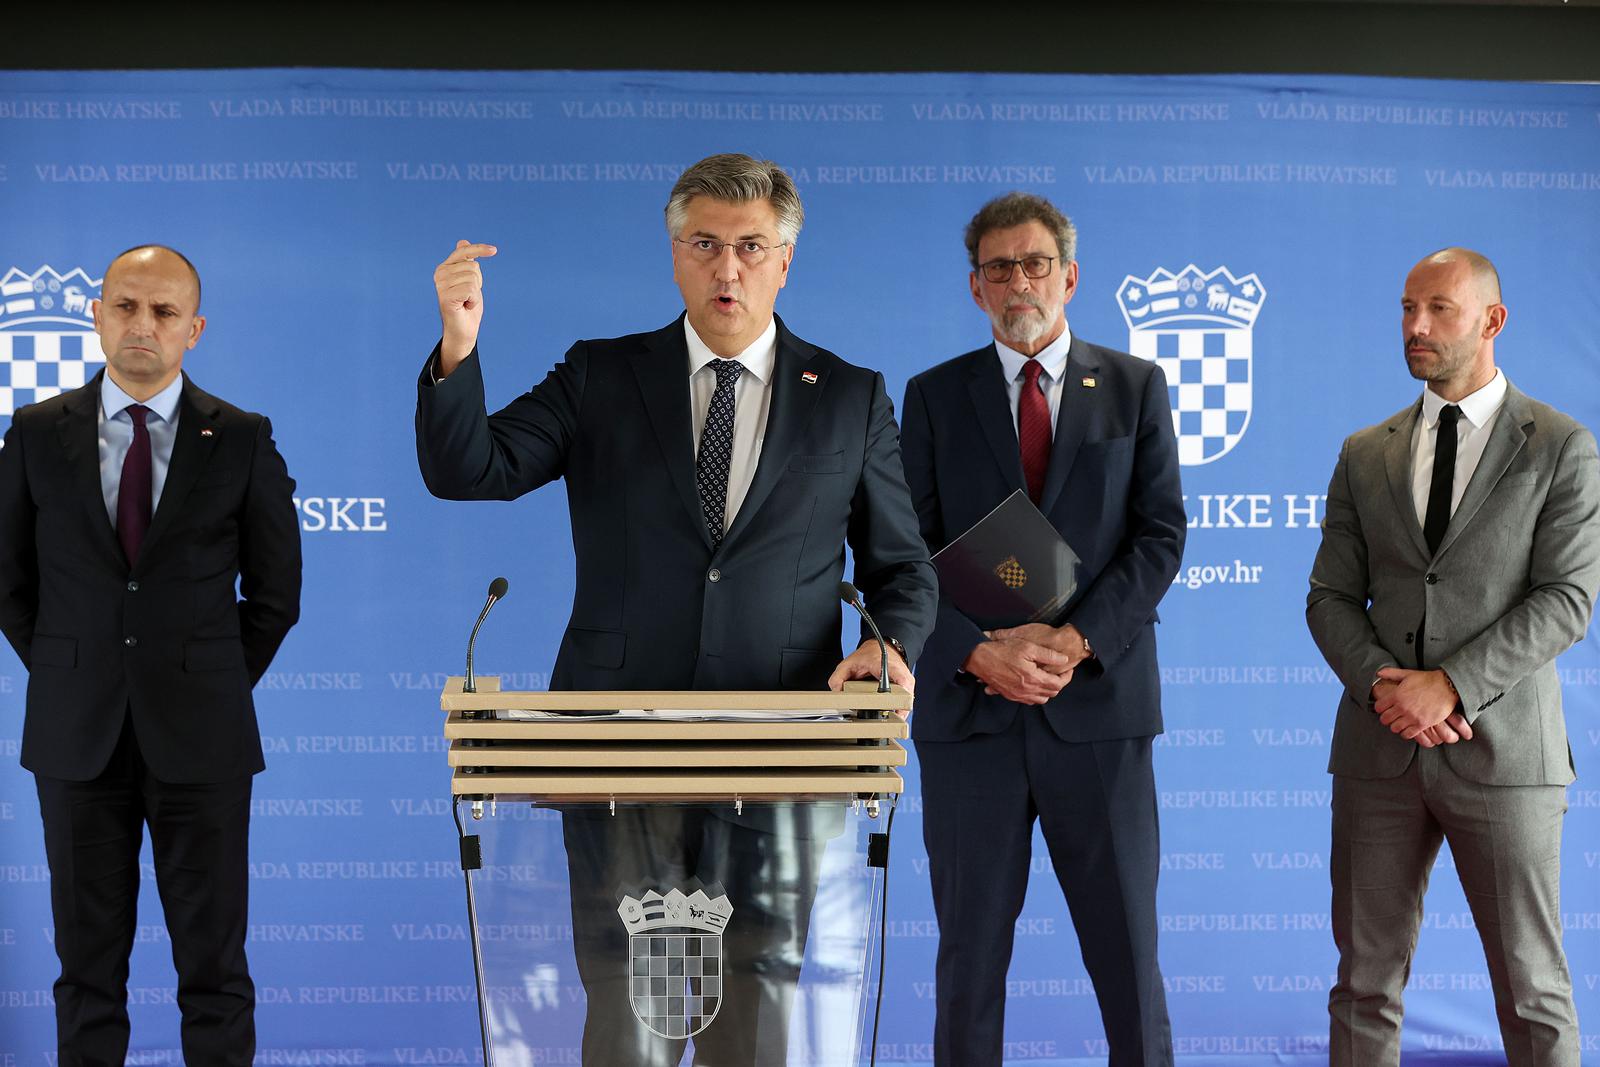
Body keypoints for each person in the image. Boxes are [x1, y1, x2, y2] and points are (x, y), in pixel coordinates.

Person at [414, 153, 936, 1065]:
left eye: (749, 246)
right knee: (627, 1003)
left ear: (784, 261)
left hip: (779, 753)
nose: (726, 268)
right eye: (704, 244)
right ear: (674, 253)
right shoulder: (600, 375)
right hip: (618, 750)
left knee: (759, 1005)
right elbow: (471, 471)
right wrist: (459, 345)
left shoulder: (850, 397)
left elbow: (902, 569)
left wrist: (888, 649)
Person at [898, 192, 1185, 1067]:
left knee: (1128, 958)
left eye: (1034, 263)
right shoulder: (933, 396)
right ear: (975, 287)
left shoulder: (1135, 386)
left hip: (1096, 708)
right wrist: (977, 652)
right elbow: (902, 555)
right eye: (998, 268)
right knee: (968, 964)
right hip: (971, 720)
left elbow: (1161, 534)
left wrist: (1078, 639)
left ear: (1070, 275)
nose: (1018, 281)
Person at [0, 244, 302, 1063]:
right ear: (97, 314)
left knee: (214, 972)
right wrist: (76, 669)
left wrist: (204, 683)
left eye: (164, 312)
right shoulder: (31, 434)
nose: (143, 325)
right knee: (85, 974)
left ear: (194, 329)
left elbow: (276, 597)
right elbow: (9, 585)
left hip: (203, 742)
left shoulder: (240, 437)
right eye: (126, 306)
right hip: (75, 738)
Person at [1306, 248, 1600, 1067]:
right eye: (1406, 309)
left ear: (1491, 321)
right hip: (1378, 751)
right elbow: (1328, 596)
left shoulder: (1562, 446)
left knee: (1531, 988)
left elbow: (1567, 600)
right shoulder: (1366, 450)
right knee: (1363, 985)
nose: (1416, 327)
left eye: (1437, 309)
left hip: (1507, 757)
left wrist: (1452, 687)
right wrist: (1383, 688)